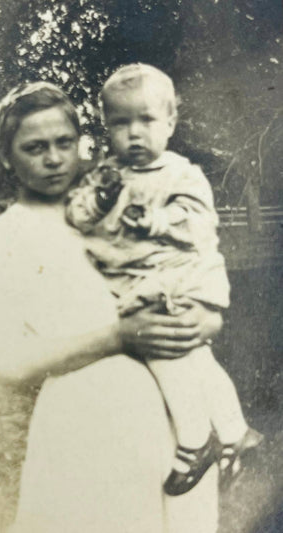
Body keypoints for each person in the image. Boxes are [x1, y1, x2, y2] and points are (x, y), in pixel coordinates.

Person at [0, 81, 224, 532]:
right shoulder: (0, 238)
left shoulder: (123, 203)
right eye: (34, 147)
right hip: (85, 426)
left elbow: (191, 273)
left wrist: (206, 319)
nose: (54, 158)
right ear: (7, 156)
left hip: (177, 425)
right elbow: (8, 362)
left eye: (64, 142)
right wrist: (118, 337)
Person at [66, 64, 262, 495]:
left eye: (146, 120)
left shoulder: (181, 174)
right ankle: (234, 430)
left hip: (177, 278)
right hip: (138, 278)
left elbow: (198, 224)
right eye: (120, 122)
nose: (134, 133)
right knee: (199, 358)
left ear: (170, 122)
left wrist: (157, 219)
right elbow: (76, 215)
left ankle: (195, 439)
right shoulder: (106, 174)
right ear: (106, 127)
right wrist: (98, 202)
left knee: (164, 347)